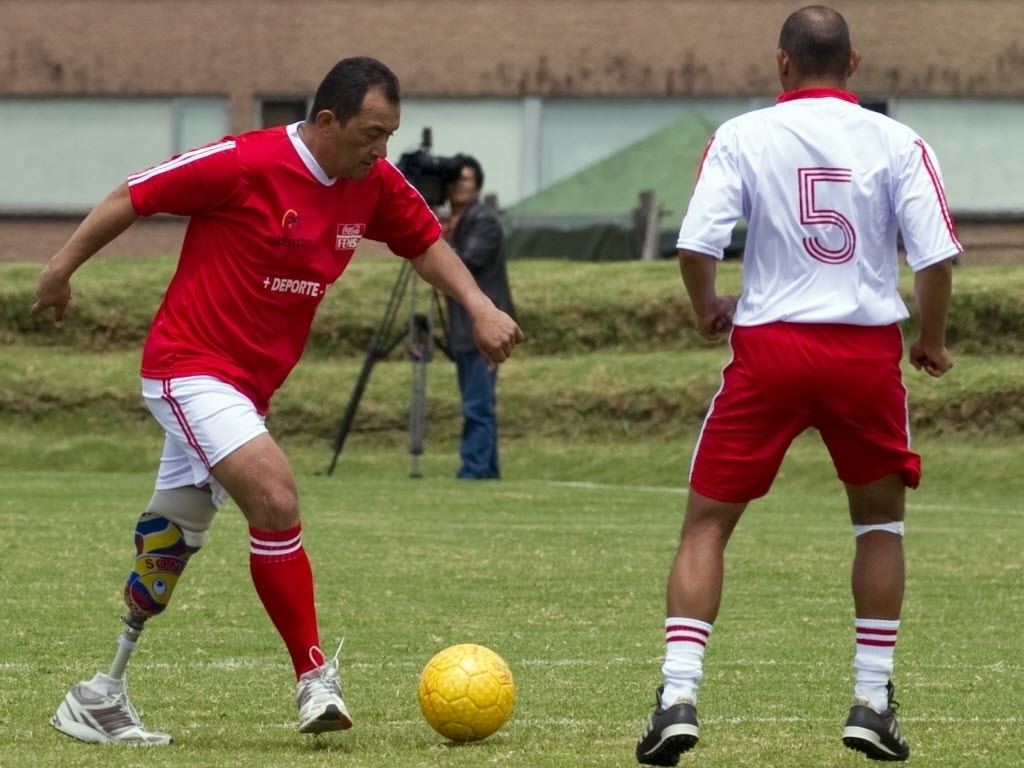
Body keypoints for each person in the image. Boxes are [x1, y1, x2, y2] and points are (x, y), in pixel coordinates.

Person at [31, 56, 524, 747]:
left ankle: (98, 696)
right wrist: (60, 269)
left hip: (245, 391)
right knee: (276, 496)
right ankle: (313, 678)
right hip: (188, 368)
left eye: (390, 135)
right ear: (327, 122)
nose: (382, 150)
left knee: (169, 545)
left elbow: (424, 243)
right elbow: (133, 195)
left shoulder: (373, 183)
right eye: (371, 134)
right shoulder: (243, 163)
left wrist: (476, 304)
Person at [635, 6, 959, 765]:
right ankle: (872, 700)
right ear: (854, 63)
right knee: (879, 523)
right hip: (863, 353)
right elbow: (937, 258)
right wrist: (932, 339)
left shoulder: (742, 135)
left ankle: (679, 695)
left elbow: (695, 244)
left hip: (771, 348)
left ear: (783, 64)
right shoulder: (899, 141)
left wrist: (707, 306)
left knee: (707, 525)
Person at [441, 155, 516, 479]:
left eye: (467, 181)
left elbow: (466, 260)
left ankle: (474, 469)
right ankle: (487, 470)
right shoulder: (459, 223)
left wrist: (434, 242)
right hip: (464, 328)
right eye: (455, 181)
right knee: (476, 401)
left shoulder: (483, 221)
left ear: (478, 186)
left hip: (483, 329)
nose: (460, 186)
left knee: (477, 404)